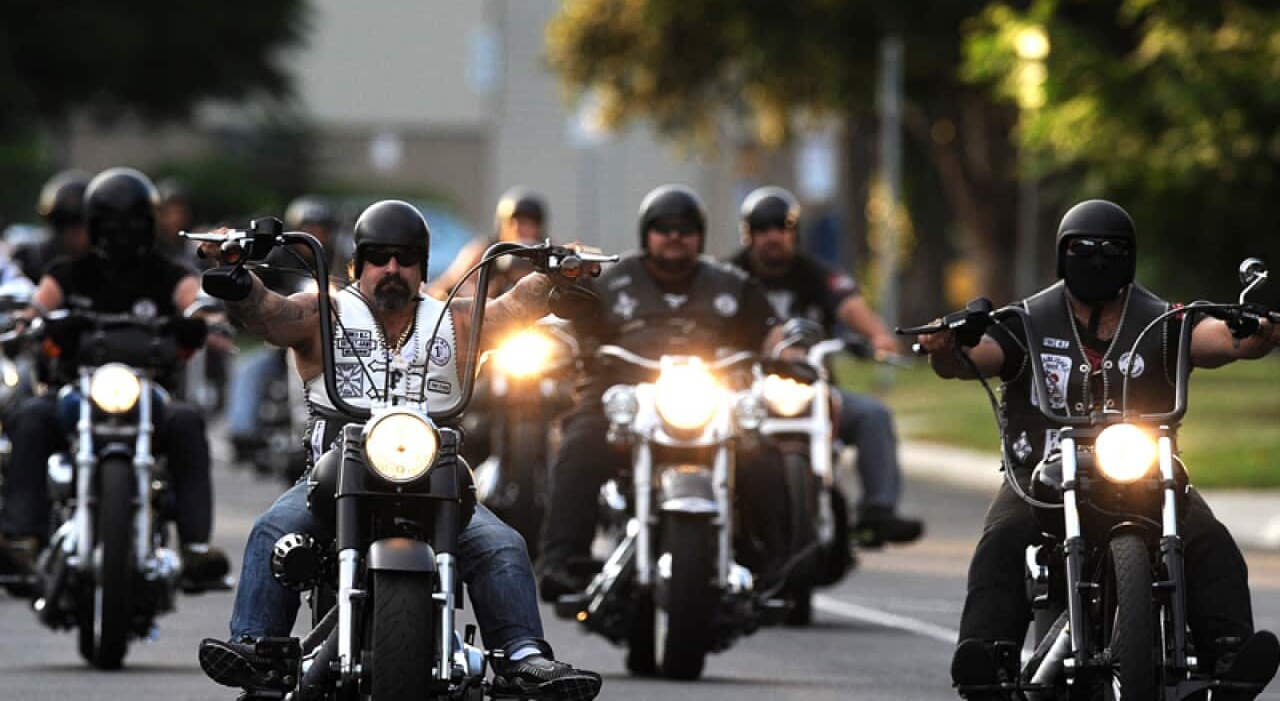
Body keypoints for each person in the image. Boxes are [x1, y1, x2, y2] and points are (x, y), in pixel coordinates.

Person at [196, 200, 602, 701]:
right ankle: (256, 646)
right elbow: (270, 313)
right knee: (274, 529)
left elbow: (513, 308)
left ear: (422, 267)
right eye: (379, 257)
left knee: (504, 545)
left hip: (439, 483)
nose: (392, 269)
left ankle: (523, 658)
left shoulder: (453, 322)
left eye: (405, 258)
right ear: (357, 264)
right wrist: (234, 275)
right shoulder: (325, 313)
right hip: (333, 479)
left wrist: (558, 274)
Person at [915, 199, 1279, 700]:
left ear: (1130, 258)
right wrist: (947, 348)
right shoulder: (1027, 320)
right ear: (1063, 256)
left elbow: (1220, 339)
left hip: (1145, 473)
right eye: (1084, 249)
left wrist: (1255, 332)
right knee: (1002, 538)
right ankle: (987, 658)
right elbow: (974, 356)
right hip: (1043, 476)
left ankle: (1230, 654)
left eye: (1112, 250)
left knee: (1206, 537)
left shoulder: (1165, 321)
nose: (1098, 259)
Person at [536, 184, 787, 600]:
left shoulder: (731, 285)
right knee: (579, 445)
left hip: (710, 399)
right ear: (645, 233)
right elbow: (572, 324)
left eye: (685, 228)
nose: (674, 236)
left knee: (761, 454)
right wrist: (559, 345)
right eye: (663, 228)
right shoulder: (613, 282)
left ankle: (778, 568)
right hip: (624, 397)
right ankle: (562, 563)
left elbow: (771, 332)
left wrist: (787, 351)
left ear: (700, 235)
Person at [0, 167, 230, 588]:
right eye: (111, 222)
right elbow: (36, 306)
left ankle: (195, 547)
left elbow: (193, 299)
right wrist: (28, 321)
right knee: (31, 414)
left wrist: (207, 316)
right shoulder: (69, 271)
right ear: (94, 223)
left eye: (131, 221)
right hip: (77, 389)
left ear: (147, 222)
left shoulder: (166, 272)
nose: (121, 232)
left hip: (148, 391)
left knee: (186, 421)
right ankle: (21, 537)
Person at [728, 185, 924, 546]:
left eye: (781, 227)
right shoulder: (730, 277)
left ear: (794, 233)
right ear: (748, 234)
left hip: (814, 390)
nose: (773, 236)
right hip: (747, 396)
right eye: (763, 228)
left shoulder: (815, 272)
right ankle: (713, 514)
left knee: (872, 415)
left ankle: (878, 512)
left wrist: (878, 336)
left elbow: (849, 304)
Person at [226, 195, 344, 467]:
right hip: (284, 339)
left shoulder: (340, 258)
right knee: (248, 368)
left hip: (330, 342)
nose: (315, 233)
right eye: (309, 227)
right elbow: (258, 296)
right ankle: (241, 433)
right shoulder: (276, 257)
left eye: (321, 227)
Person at [427, 185, 547, 299]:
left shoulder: (547, 256)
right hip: (486, 317)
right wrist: (471, 293)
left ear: (539, 228)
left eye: (528, 223)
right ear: (501, 225)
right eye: (513, 222)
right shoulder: (485, 251)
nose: (519, 229)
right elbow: (445, 285)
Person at [14, 170, 92, 283]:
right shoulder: (30, 260)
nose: (73, 234)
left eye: (78, 223)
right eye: (62, 223)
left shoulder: (106, 266)